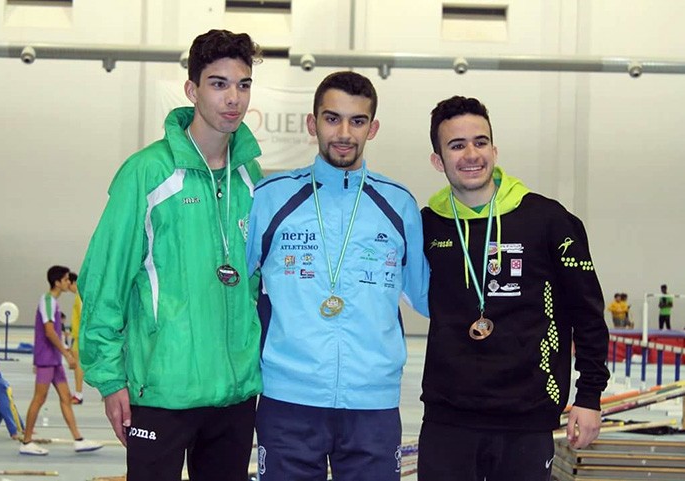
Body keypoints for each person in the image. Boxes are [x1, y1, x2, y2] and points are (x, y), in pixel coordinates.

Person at [77, 29, 264, 481]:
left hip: (235, 394)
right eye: (218, 84)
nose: (233, 98)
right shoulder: (148, 172)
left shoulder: (250, 175)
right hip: (161, 390)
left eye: (243, 85)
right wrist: (110, 377)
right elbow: (105, 278)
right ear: (192, 90)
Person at [246, 71, 429, 481]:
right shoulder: (270, 197)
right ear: (312, 124)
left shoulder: (398, 205)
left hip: (373, 402)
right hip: (288, 396)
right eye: (332, 119)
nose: (344, 132)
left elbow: (430, 297)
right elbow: (231, 285)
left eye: (357, 121)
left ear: (373, 128)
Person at [418, 96, 610, 481]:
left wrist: (588, 397)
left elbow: (587, 313)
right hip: (447, 416)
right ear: (438, 160)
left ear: (494, 149)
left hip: (527, 414)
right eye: (457, 145)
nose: (471, 154)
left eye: (480, 141)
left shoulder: (548, 219)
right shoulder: (426, 225)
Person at [19, 265, 103, 456]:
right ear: (57, 282)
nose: (68, 282)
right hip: (46, 359)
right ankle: (26, 441)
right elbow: (49, 331)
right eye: (66, 279)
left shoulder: (54, 303)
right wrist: (67, 353)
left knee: (66, 398)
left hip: (54, 360)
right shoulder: (47, 301)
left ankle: (78, 440)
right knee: (39, 399)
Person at [67, 272, 85, 404]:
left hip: (81, 337)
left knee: (78, 366)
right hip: (77, 335)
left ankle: (78, 394)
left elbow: (84, 317)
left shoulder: (81, 296)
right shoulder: (79, 296)